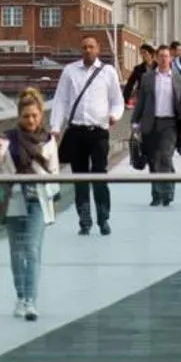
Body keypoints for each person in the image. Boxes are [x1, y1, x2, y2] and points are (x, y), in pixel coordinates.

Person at [0, 89, 58, 319]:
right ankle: (20, 297)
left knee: (32, 249)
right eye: (26, 116)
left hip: (37, 198)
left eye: (35, 115)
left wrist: (45, 186)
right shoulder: (6, 139)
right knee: (17, 251)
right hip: (13, 199)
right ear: (19, 116)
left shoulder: (48, 141)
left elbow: (55, 174)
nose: (31, 120)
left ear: (41, 116)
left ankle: (30, 300)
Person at [50, 34, 124, 236]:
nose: (88, 50)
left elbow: (118, 101)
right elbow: (60, 101)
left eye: (91, 47)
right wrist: (55, 127)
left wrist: (114, 116)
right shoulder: (69, 71)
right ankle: (84, 220)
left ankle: (103, 218)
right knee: (80, 178)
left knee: (100, 175)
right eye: (84, 47)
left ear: (98, 49)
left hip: (99, 131)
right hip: (76, 131)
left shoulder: (107, 72)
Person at [131, 46, 181, 206]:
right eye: (161, 56)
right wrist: (135, 122)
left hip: (170, 123)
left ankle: (168, 192)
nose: (164, 59)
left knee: (165, 156)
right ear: (156, 58)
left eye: (167, 56)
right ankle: (156, 194)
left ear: (170, 58)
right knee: (152, 159)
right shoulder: (147, 78)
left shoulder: (177, 78)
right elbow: (141, 102)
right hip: (151, 122)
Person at [123, 44, 158, 108]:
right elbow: (130, 84)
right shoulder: (138, 68)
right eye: (141, 53)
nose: (142, 55)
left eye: (144, 52)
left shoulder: (159, 67)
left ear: (151, 53)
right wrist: (125, 99)